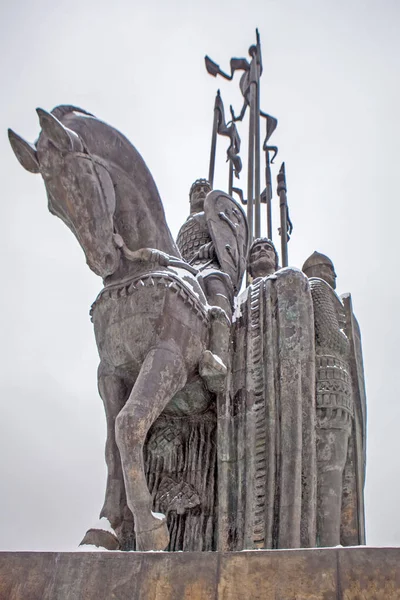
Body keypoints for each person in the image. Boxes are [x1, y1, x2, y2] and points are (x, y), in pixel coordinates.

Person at [302, 251, 366, 546]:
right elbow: (328, 335)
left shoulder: (325, 289)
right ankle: (327, 546)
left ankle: (335, 542)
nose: (334, 277)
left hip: (338, 392)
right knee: (330, 470)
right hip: (328, 388)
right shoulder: (318, 287)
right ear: (318, 269)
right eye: (330, 269)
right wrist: (347, 339)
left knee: (339, 471)